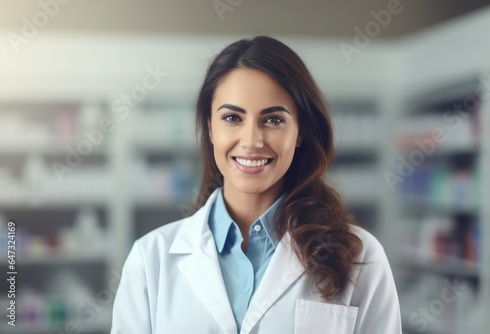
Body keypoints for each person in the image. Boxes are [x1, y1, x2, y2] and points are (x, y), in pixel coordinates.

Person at [110, 35, 402, 334]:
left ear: (300, 132)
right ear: (210, 128)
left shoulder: (359, 256)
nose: (251, 141)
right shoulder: (151, 259)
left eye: (274, 120)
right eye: (232, 117)